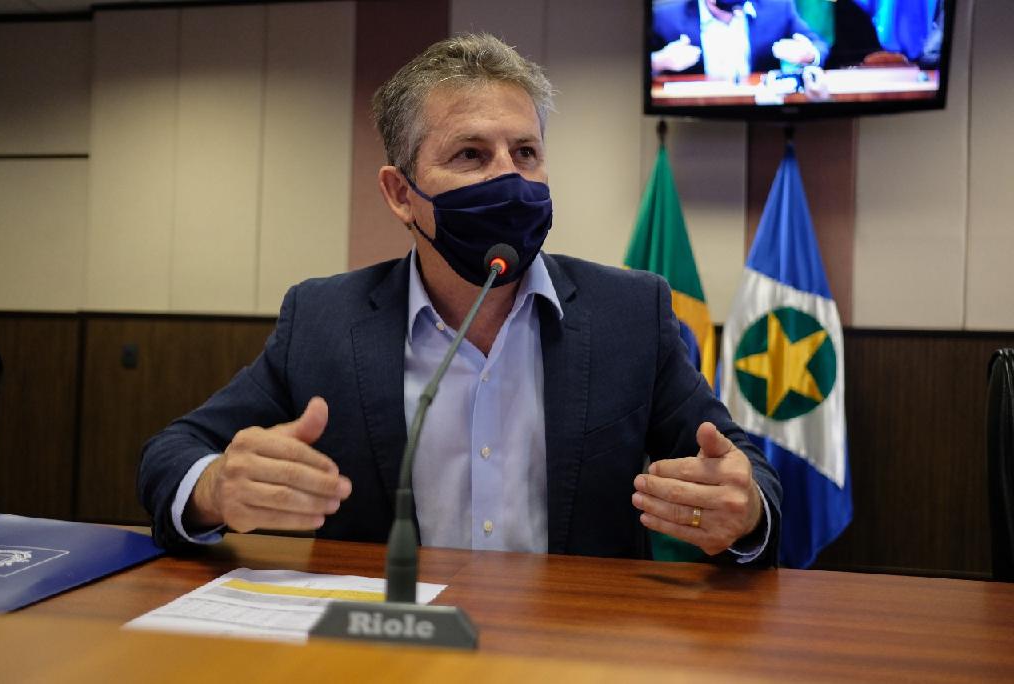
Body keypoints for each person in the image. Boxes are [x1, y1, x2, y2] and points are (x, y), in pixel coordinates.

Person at [138, 34, 782, 565]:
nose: (509, 178)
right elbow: (174, 452)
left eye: (525, 153)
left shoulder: (630, 314)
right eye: (471, 155)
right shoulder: (324, 319)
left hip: (575, 644)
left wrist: (745, 508)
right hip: (390, 642)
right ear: (400, 194)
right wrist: (216, 487)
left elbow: (743, 469)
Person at [651, 0, 829, 80]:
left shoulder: (779, 8)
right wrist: (659, 61)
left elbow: (819, 45)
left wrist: (808, 55)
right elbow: (639, 66)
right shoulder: (665, 18)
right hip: (696, 115)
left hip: (759, 116)